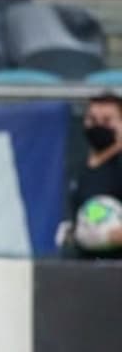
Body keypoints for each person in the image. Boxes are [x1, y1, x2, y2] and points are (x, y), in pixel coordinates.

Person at [57, 92, 122, 259]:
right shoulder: (80, 168)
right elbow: (87, 215)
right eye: (92, 120)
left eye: (107, 120)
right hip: (86, 272)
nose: (98, 125)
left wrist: (108, 235)